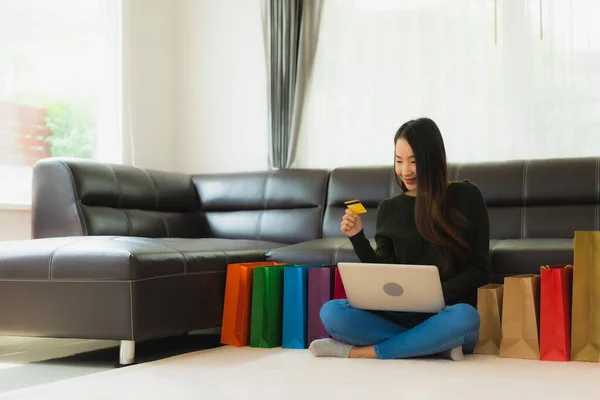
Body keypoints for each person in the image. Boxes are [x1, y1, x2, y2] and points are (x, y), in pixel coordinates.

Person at [308, 117, 490, 361]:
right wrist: (357, 238)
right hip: (399, 313)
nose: (405, 171)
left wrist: (432, 297)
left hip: (447, 312)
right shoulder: (389, 209)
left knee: (467, 317)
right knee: (331, 312)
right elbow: (383, 272)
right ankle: (434, 344)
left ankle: (363, 352)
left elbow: (479, 269)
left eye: (414, 161)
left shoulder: (467, 196)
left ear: (432, 159)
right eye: (399, 161)